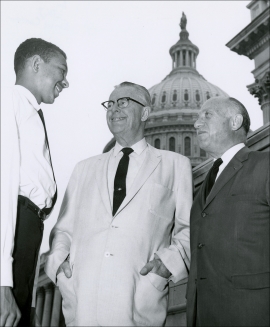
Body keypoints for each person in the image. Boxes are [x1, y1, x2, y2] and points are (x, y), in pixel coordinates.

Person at [45, 81, 193, 326]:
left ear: (145, 113)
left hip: (140, 299)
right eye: (110, 104)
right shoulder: (84, 168)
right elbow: (63, 229)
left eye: (123, 103)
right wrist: (59, 264)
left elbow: (187, 227)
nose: (114, 109)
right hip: (82, 300)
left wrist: (167, 265)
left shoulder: (175, 165)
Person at [1, 38, 69, 327]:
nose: (65, 82)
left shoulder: (28, 111)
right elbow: (3, 190)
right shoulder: (9, 102)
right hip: (15, 224)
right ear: (36, 64)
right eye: (61, 71)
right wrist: (2, 282)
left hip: (27, 231)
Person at [186, 96, 269, 327]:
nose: (196, 123)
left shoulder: (265, 165)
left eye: (207, 115)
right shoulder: (206, 183)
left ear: (235, 122)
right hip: (203, 314)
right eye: (197, 117)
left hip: (252, 312)